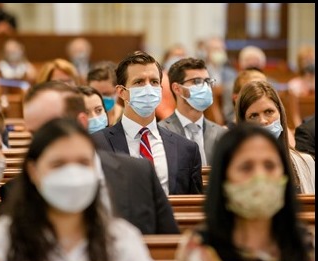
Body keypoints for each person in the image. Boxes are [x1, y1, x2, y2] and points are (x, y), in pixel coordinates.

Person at [0, 80, 180, 235]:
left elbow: (168, 244)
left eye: (49, 129)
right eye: (33, 132)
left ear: (81, 122)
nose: (39, 141)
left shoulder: (138, 173)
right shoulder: (15, 190)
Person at [0, 118, 154, 261]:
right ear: (33, 171)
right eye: (58, 164)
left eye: (83, 163)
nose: (72, 174)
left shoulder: (121, 240)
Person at [175, 123, 315, 261]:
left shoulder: (306, 243)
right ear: (224, 178)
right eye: (246, 167)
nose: (260, 177)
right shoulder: (199, 248)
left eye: (270, 166)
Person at [92, 51, 203, 195]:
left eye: (154, 82)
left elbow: (193, 206)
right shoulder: (97, 143)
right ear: (121, 92)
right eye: (139, 82)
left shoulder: (186, 148)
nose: (148, 88)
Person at [235, 80, 315, 194]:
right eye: (253, 116)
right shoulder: (234, 169)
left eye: (268, 112)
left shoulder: (306, 163)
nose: (262, 121)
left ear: (280, 114)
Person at [159, 57, 227, 166]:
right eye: (197, 81)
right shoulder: (160, 132)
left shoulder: (221, 134)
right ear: (177, 88)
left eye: (207, 81)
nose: (205, 87)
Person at [205, 36, 237, 125]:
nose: (219, 52)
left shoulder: (230, 72)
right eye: (215, 49)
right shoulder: (202, 71)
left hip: (227, 110)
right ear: (207, 51)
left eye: (221, 49)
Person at [287, 44, 315, 128]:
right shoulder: (293, 84)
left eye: (311, 59)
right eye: (305, 60)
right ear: (300, 63)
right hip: (302, 124)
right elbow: (294, 112)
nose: (309, 63)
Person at [87, 61, 123, 125]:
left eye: (106, 94)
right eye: (95, 93)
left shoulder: (126, 119)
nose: (100, 98)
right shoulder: (84, 120)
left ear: (118, 90)